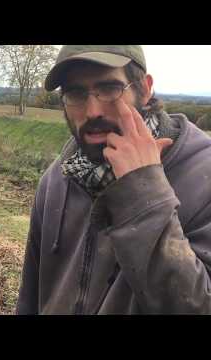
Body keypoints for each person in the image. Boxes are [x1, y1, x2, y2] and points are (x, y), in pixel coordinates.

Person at [16, 45, 211, 314]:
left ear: (145, 88)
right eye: (76, 93)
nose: (93, 110)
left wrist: (142, 189)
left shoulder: (203, 176)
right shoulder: (58, 178)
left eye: (109, 89)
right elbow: (30, 299)